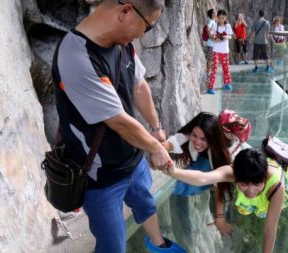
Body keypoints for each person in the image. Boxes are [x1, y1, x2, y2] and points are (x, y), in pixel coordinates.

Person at [51, 1, 185, 252]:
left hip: (133, 159)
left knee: (146, 205)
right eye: (147, 26)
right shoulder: (76, 57)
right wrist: (156, 147)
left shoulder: (122, 46)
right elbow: (118, 122)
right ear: (125, 12)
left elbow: (138, 85)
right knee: (113, 246)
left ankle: (158, 244)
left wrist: (156, 128)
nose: (144, 34)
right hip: (100, 175)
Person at [163, 148, 288, 253]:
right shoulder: (233, 172)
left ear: (264, 177)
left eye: (257, 184)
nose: (251, 191)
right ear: (235, 176)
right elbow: (203, 178)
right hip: (252, 178)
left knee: (268, 210)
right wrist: (174, 172)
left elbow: (270, 229)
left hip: (274, 190)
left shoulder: (276, 188)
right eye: (244, 184)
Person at [163, 110, 252, 234]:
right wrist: (161, 149)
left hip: (219, 166)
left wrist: (220, 218)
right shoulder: (207, 130)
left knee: (187, 185)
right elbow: (183, 136)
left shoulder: (229, 156)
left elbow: (217, 184)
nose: (197, 142)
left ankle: (172, 191)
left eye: (204, 139)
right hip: (212, 162)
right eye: (195, 136)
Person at [206, 9, 234, 95]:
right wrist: (215, 38)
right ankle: (210, 87)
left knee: (226, 68)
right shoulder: (215, 26)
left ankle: (227, 84)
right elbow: (212, 35)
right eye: (220, 18)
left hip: (225, 51)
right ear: (217, 17)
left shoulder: (228, 26)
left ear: (225, 17)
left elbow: (230, 36)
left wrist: (226, 37)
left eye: (223, 18)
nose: (221, 19)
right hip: (216, 50)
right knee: (214, 68)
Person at [250, 10, 272, 75]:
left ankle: (256, 68)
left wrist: (251, 38)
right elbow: (268, 33)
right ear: (263, 15)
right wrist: (268, 40)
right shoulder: (267, 22)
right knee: (266, 55)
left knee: (256, 55)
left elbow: (253, 32)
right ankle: (268, 67)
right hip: (265, 41)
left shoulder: (256, 22)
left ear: (259, 14)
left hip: (257, 41)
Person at [204, 9, 217, 77]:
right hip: (211, 44)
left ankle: (209, 72)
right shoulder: (211, 21)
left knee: (211, 58)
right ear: (212, 14)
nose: (216, 13)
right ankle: (208, 73)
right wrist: (211, 36)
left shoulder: (214, 22)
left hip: (213, 43)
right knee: (210, 58)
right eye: (214, 12)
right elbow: (208, 29)